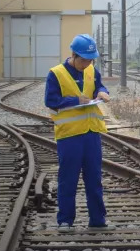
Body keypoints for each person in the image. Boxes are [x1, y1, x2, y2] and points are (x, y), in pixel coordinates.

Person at [45, 33, 111, 230]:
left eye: (91, 60)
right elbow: (51, 101)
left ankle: (98, 221)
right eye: (84, 60)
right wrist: (75, 101)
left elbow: (98, 84)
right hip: (69, 135)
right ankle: (65, 221)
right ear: (73, 56)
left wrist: (103, 91)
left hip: (91, 133)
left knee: (94, 179)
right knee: (68, 179)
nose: (87, 64)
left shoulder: (91, 70)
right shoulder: (55, 73)